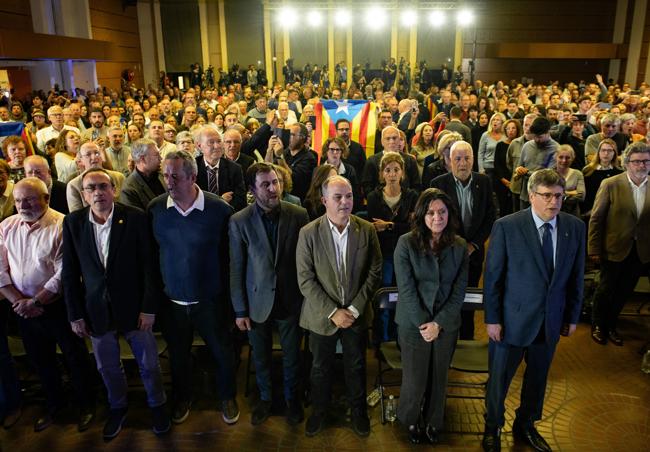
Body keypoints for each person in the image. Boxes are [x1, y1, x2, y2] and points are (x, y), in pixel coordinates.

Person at [482, 169, 585, 452]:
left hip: (550, 320)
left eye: (559, 196)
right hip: (511, 321)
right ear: (531, 196)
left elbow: (576, 276)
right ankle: (492, 427)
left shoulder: (574, 228)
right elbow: (493, 278)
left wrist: (571, 316)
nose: (554, 202)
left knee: (537, 379)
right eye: (547, 195)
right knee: (499, 380)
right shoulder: (507, 226)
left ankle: (525, 424)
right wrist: (492, 319)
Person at [62, 168, 169, 440]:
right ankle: (117, 407)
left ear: (113, 190)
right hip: (96, 309)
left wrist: (148, 308)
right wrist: (75, 314)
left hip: (134, 307)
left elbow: (149, 268)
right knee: (107, 366)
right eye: (91, 188)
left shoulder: (134, 218)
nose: (98, 192)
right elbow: (70, 272)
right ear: (84, 195)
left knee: (149, 364)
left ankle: (157, 405)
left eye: (103, 186)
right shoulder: (73, 223)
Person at [148, 150, 239, 426]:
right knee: (178, 356)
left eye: (175, 176)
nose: (169, 182)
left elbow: (231, 259)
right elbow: (151, 258)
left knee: (222, 352)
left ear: (193, 176)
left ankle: (226, 396)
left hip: (210, 301)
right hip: (173, 302)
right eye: (165, 176)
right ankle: (182, 397)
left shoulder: (219, 210)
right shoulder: (155, 209)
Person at [0, 178, 96, 433]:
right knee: (41, 362)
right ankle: (55, 406)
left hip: (57, 308)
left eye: (30, 199)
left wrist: (35, 301)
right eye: (19, 200)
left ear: (46, 199)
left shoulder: (63, 224)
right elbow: (0, 270)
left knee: (75, 359)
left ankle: (87, 406)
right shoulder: (7, 226)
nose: (23, 204)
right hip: (22, 310)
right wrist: (20, 302)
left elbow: (64, 273)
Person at [296, 175, 382, 438]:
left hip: (356, 315)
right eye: (338, 197)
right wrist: (334, 312)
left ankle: (359, 413)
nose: (345, 202)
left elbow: (375, 270)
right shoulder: (309, 233)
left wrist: (354, 309)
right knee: (320, 368)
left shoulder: (366, 229)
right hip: (323, 316)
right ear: (324, 200)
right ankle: (319, 413)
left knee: (355, 366)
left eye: (349, 196)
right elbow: (305, 279)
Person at [229, 162, 309, 426]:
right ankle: (265, 399)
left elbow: (306, 262)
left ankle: (291, 400)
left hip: (291, 300)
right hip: (256, 303)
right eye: (266, 184)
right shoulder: (239, 220)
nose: (273, 188)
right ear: (253, 189)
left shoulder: (298, 214)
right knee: (261, 357)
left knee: (292, 356)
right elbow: (237, 268)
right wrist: (240, 310)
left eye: (276, 182)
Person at [394, 188, 468, 444]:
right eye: (431, 212)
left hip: (445, 324)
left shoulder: (459, 246)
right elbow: (405, 288)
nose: (437, 217)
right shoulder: (406, 243)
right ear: (421, 215)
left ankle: (434, 420)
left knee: (439, 377)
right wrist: (425, 324)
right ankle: (411, 419)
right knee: (415, 378)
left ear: (450, 214)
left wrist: (439, 323)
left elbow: (459, 292)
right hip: (414, 323)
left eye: (442, 212)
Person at [431, 141, 495, 339]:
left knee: (469, 296)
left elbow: (490, 217)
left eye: (467, 158)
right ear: (450, 161)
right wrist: (457, 244)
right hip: (447, 251)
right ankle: (446, 337)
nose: (463, 163)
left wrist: (473, 245)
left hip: (474, 254)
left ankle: (467, 338)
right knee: (447, 297)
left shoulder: (483, 182)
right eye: (457, 158)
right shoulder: (438, 184)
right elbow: (436, 218)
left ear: (473, 160)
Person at [589, 142, 650, 346]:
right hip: (614, 246)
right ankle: (598, 324)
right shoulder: (612, 184)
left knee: (625, 289)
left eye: (646, 161)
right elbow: (596, 218)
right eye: (637, 161)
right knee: (606, 288)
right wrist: (594, 248)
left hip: (640, 250)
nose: (642, 165)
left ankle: (612, 325)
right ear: (627, 163)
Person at [367, 152, 418, 286]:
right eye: (387, 170)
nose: (392, 174)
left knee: (406, 284)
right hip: (383, 250)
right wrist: (400, 225)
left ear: (402, 173)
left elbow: (413, 227)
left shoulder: (412, 196)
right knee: (386, 283)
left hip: (406, 249)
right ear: (382, 174)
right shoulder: (373, 197)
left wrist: (390, 225)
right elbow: (376, 228)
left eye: (396, 170)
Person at [194, 125, 247, 211]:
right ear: (199, 146)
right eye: (211, 142)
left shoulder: (234, 169)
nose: (217, 146)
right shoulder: (192, 167)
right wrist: (220, 200)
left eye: (219, 141)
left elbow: (241, 202)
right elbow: (190, 200)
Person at [66, 142, 125, 212]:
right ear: (80, 161)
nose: (94, 157)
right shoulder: (73, 186)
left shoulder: (119, 178)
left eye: (97, 153)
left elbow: (127, 208)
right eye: (88, 155)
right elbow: (76, 218)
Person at [120, 139, 166, 210]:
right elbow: (137, 218)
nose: (161, 158)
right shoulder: (129, 189)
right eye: (157, 155)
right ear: (143, 159)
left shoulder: (163, 175)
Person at [581, 139, 622, 215]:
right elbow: (585, 195)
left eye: (610, 151)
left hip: (613, 213)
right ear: (598, 152)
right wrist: (588, 211)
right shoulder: (588, 171)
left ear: (614, 153)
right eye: (603, 150)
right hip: (591, 212)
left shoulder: (620, 172)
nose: (606, 153)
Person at [554, 145, 585, 217]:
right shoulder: (549, 173)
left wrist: (559, 195)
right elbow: (548, 194)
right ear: (556, 157)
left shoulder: (578, 174)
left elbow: (581, 196)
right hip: (554, 213)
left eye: (567, 158)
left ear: (572, 158)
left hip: (573, 214)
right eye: (561, 157)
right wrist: (573, 192)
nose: (564, 160)